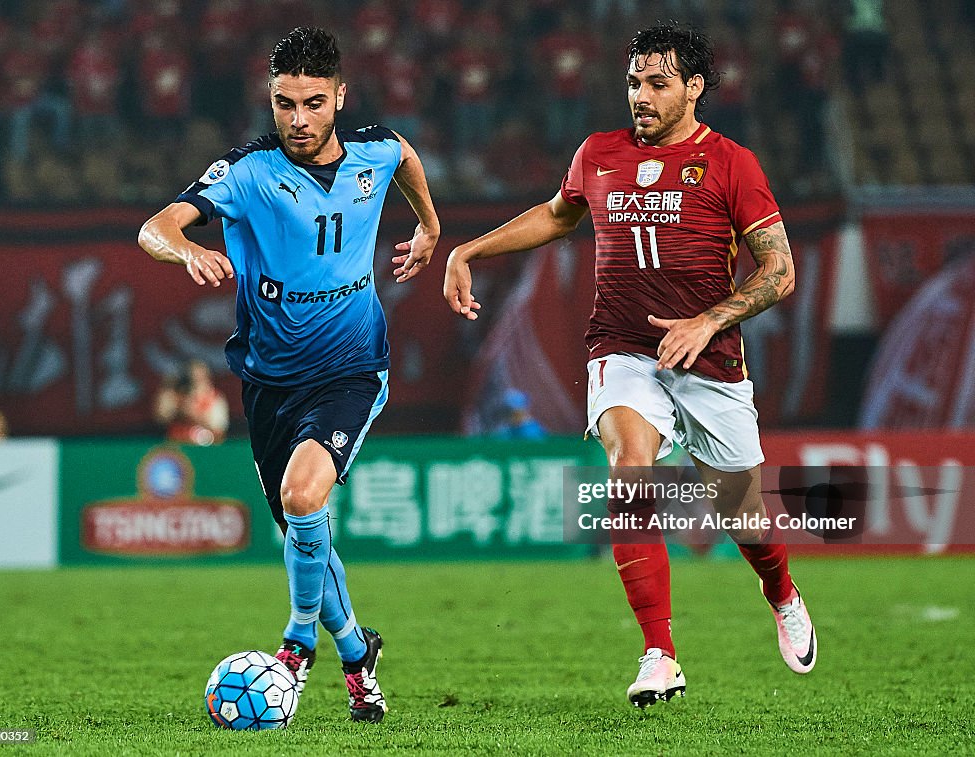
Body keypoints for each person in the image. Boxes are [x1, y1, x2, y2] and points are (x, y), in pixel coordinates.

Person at [444, 22, 814, 708]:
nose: (640, 96)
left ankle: (782, 590)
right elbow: (558, 216)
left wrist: (709, 320)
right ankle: (659, 652)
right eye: (633, 83)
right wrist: (469, 250)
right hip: (621, 345)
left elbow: (781, 271)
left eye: (657, 84)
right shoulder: (599, 152)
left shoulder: (734, 163)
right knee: (629, 470)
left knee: (745, 517)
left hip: (709, 357)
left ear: (694, 88)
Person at [138, 27, 440, 723]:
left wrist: (430, 227)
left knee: (305, 501)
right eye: (284, 103)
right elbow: (156, 225)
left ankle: (297, 646)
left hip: (351, 369)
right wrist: (183, 248)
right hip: (270, 384)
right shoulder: (246, 173)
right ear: (269, 101)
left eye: (311, 102)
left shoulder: (374, 150)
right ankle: (358, 655)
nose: (297, 119)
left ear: (339, 97)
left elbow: (405, 157)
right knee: (307, 531)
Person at [153, 359, 230, 445]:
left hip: (205, 445)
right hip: (178, 444)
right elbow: (162, 416)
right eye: (192, 375)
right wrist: (168, 391)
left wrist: (196, 416)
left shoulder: (215, 398)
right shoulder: (178, 395)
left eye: (200, 375)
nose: (196, 379)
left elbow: (219, 428)